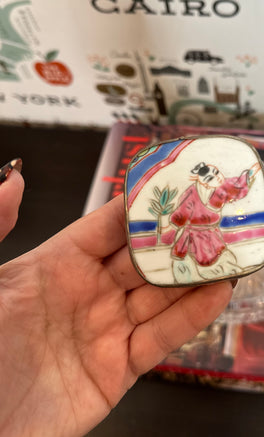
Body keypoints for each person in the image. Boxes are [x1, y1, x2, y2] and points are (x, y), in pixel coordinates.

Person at [0, 159, 234, 437]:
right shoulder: (189, 196)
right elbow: (180, 218)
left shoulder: (213, 192)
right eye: (211, 174)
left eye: (215, 173)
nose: (215, 177)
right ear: (199, 179)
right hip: (192, 243)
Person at [170, 161, 261, 283]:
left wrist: (250, 173)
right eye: (210, 178)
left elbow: (236, 185)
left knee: (220, 256)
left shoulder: (222, 188)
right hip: (193, 236)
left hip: (211, 233)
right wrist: (172, 225)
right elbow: (182, 212)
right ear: (205, 184)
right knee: (203, 263)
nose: (217, 177)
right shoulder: (191, 193)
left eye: (216, 172)